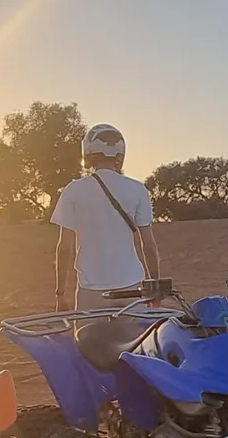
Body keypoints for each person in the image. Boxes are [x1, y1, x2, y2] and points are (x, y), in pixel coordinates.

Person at [52, 123, 161, 310]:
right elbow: (148, 245)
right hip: (132, 285)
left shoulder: (74, 190)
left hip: (92, 288)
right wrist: (155, 287)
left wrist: (60, 294)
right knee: (137, 339)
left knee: (89, 339)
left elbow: (64, 249)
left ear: (88, 151)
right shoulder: (137, 189)